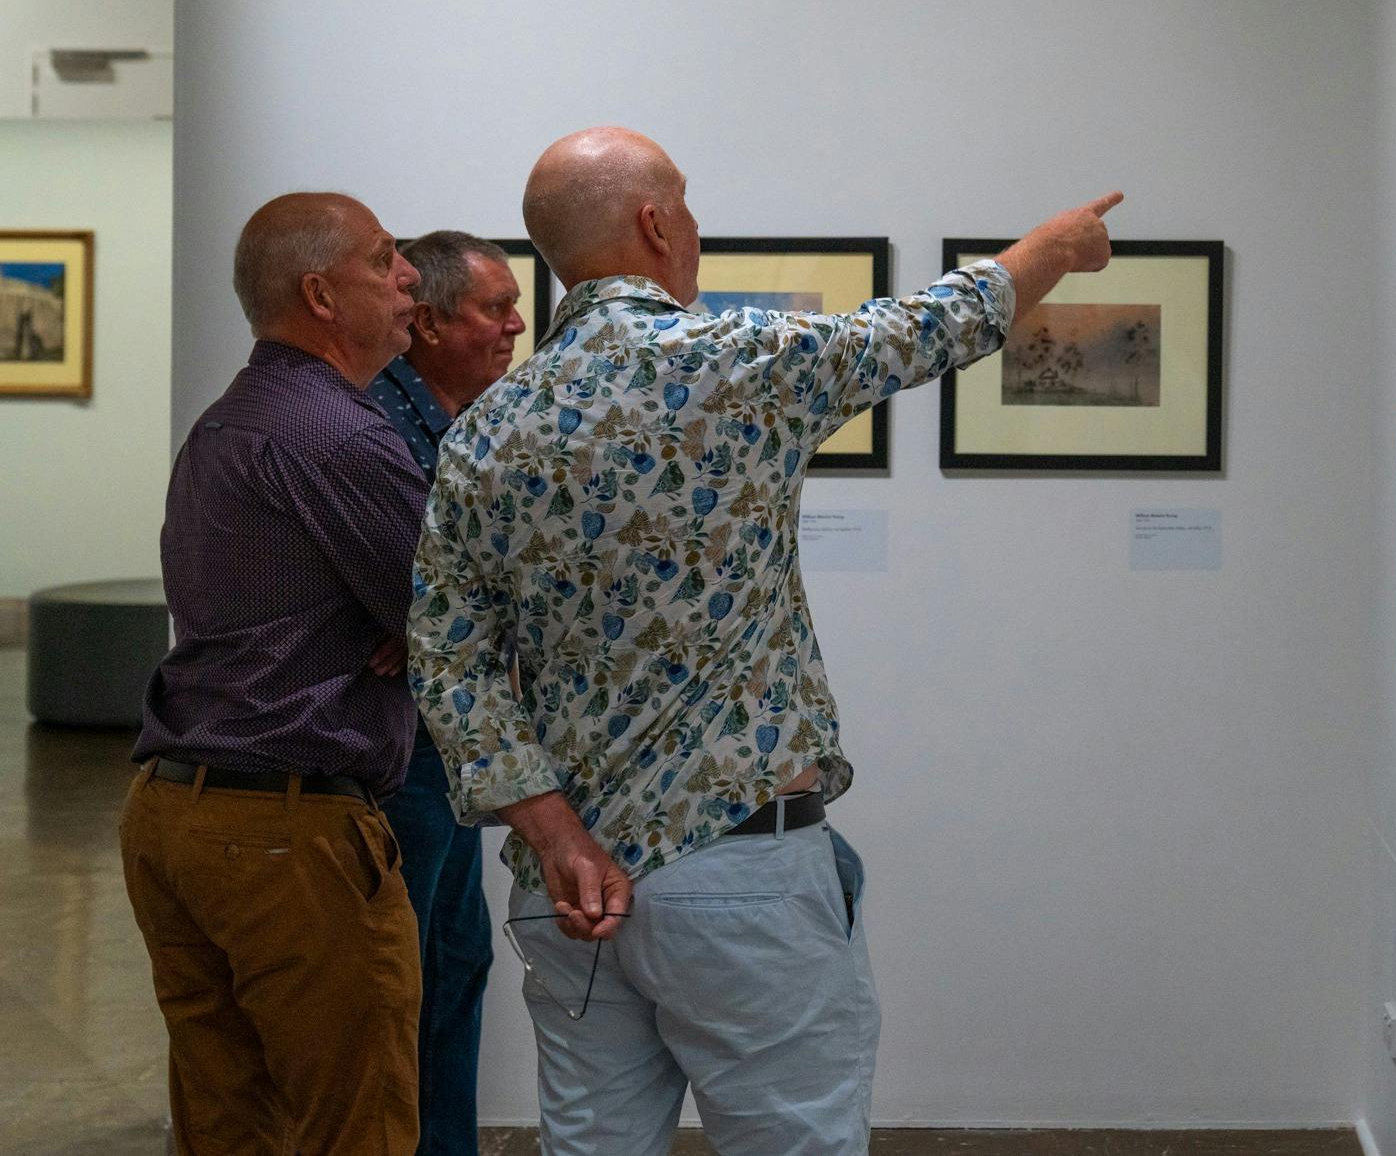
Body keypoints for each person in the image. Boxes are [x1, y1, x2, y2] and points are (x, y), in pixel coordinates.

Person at [407, 125, 1120, 1154]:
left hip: (567, 887)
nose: (692, 224)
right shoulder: (738, 361)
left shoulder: (484, 426)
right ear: (654, 223)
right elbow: (926, 327)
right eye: (686, 204)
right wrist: (1053, 246)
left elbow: (449, 660)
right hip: (738, 871)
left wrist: (558, 834)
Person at [122, 192, 427, 1155]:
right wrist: (422, 631)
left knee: (227, 1122)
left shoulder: (229, 422)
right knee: (355, 1124)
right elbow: (462, 615)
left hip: (176, 813)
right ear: (320, 295)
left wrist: (415, 625)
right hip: (285, 835)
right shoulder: (338, 434)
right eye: (385, 260)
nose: (410, 275)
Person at [366, 230, 525, 1156]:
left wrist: (446, 618)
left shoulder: (465, 422)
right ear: (423, 321)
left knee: (455, 964)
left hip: (448, 744)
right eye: (494, 308)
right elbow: (418, 598)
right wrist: (437, 616)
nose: (514, 326)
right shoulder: (375, 428)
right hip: (399, 756)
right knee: (406, 980)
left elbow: (477, 593)